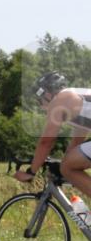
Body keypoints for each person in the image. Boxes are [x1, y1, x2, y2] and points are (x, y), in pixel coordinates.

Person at [14, 72, 91, 201]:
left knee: (67, 167)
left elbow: (46, 142)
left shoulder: (59, 100)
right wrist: (62, 165)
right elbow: (77, 142)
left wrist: (31, 172)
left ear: (47, 93)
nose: (40, 105)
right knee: (67, 165)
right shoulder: (75, 98)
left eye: (40, 99)